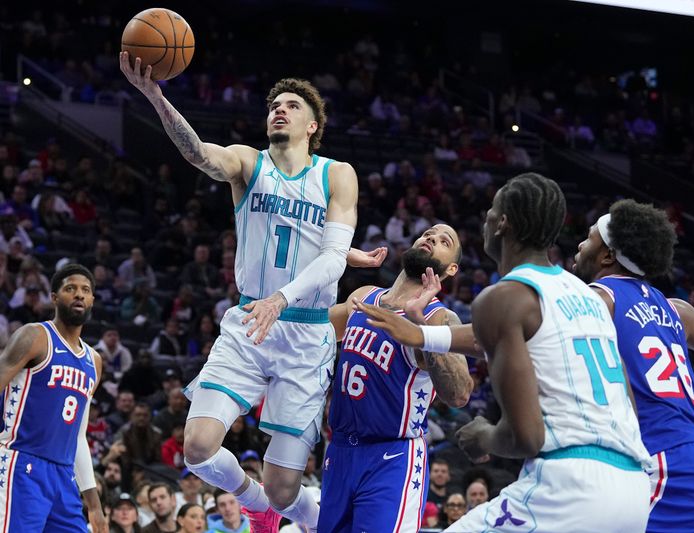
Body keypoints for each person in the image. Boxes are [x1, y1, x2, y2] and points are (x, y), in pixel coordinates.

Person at [121, 54, 386, 532]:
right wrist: (156, 98)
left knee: (287, 489)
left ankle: (310, 518)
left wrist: (282, 298)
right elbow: (200, 152)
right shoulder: (248, 162)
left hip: (305, 334)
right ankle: (253, 501)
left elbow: (331, 259)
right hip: (248, 324)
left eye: (290, 105)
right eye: (273, 106)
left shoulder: (337, 173)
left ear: (312, 125)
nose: (278, 111)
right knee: (198, 449)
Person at [358, 174, 652, 531]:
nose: (485, 218)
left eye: (491, 210)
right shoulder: (588, 296)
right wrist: (423, 334)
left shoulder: (502, 298)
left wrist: (483, 434)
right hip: (635, 487)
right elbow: (492, 340)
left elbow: (525, 437)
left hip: (571, 482)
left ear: (503, 223)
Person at [571, 200, 694, 532]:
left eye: (589, 237)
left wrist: (450, 335)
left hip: (674, 466)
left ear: (607, 255)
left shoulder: (595, 299)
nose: (580, 244)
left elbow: (506, 330)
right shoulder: (673, 308)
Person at [318, 225, 472, 532]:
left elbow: (459, 394)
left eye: (444, 242)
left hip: (391, 457)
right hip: (339, 450)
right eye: (429, 233)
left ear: (451, 269)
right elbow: (309, 330)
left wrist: (421, 331)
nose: (432, 238)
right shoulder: (364, 297)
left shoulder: (438, 318)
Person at [0, 264, 107, 532]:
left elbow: (79, 436)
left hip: (63, 476)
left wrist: (93, 504)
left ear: (93, 299)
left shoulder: (94, 361)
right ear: (55, 297)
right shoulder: (35, 336)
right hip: (21, 464)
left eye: (85, 290)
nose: (79, 295)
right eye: (70, 289)